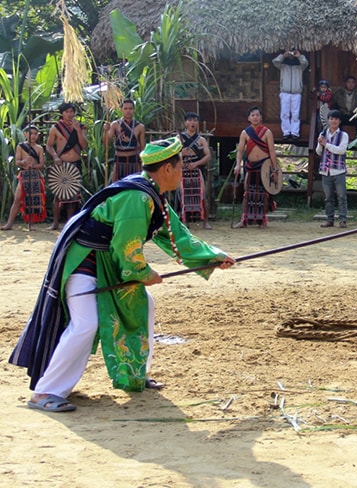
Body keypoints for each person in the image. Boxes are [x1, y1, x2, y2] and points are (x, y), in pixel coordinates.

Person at [9, 137, 235, 412]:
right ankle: (45, 393)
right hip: (86, 263)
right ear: (166, 169)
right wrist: (143, 273)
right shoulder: (136, 198)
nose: (181, 171)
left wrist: (214, 257)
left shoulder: (151, 195)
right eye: (179, 166)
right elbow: (125, 247)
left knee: (145, 303)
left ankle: (135, 374)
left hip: (110, 265)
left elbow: (176, 236)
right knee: (86, 323)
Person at [233, 106, 280, 228]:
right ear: (249, 118)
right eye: (252, 115)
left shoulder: (267, 132)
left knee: (263, 193)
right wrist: (238, 164)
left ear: (261, 117)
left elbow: (272, 151)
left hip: (264, 166)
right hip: (250, 165)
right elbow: (240, 151)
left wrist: (275, 169)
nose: (255, 117)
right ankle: (244, 219)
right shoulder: (245, 133)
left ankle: (262, 220)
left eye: (257, 115)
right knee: (248, 192)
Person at [46, 102, 88, 230]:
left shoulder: (81, 127)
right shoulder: (56, 128)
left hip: (75, 164)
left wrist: (78, 131)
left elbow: (84, 145)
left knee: (73, 195)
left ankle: (69, 223)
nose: (70, 114)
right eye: (67, 112)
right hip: (62, 164)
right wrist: (55, 156)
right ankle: (55, 223)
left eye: (71, 111)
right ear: (62, 113)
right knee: (59, 194)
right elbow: (48, 145)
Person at [1, 125, 47, 230]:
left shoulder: (39, 148)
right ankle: (9, 223)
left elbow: (41, 165)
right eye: (31, 133)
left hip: (36, 176)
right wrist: (23, 162)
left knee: (33, 200)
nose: (33, 136)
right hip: (24, 175)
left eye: (35, 134)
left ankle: (31, 224)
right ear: (25, 134)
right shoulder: (21, 146)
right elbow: (17, 162)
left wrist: (34, 165)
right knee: (17, 199)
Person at [178, 112, 213, 229]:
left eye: (195, 120)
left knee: (202, 195)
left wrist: (196, 164)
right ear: (185, 123)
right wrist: (180, 154)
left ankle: (205, 222)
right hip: (183, 169)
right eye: (190, 120)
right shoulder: (179, 139)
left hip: (197, 169)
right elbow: (172, 155)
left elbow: (208, 156)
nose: (192, 123)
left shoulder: (201, 140)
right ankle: (185, 221)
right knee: (184, 195)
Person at [316, 109, 350, 228]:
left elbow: (341, 150)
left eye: (336, 119)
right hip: (326, 170)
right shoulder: (323, 134)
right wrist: (320, 144)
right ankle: (329, 219)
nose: (333, 121)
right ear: (328, 120)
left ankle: (342, 219)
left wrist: (326, 145)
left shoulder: (343, 135)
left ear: (339, 121)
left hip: (338, 170)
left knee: (341, 196)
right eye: (331, 119)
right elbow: (318, 152)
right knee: (328, 197)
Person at [105, 99, 146, 182]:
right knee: (117, 188)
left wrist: (143, 164)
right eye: (125, 108)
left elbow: (142, 148)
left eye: (130, 108)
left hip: (134, 161)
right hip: (119, 161)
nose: (128, 111)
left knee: (134, 187)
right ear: (121, 110)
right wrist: (105, 131)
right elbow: (106, 143)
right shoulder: (115, 125)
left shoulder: (140, 127)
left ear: (134, 110)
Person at [272, 48, 308, 140]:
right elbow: (275, 62)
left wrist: (299, 56)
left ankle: (295, 132)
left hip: (296, 92)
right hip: (285, 92)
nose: (292, 54)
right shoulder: (283, 65)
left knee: (296, 114)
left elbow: (305, 63)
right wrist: (283, 55)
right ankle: (286, 132)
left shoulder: (300, 66)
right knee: (284, 113)